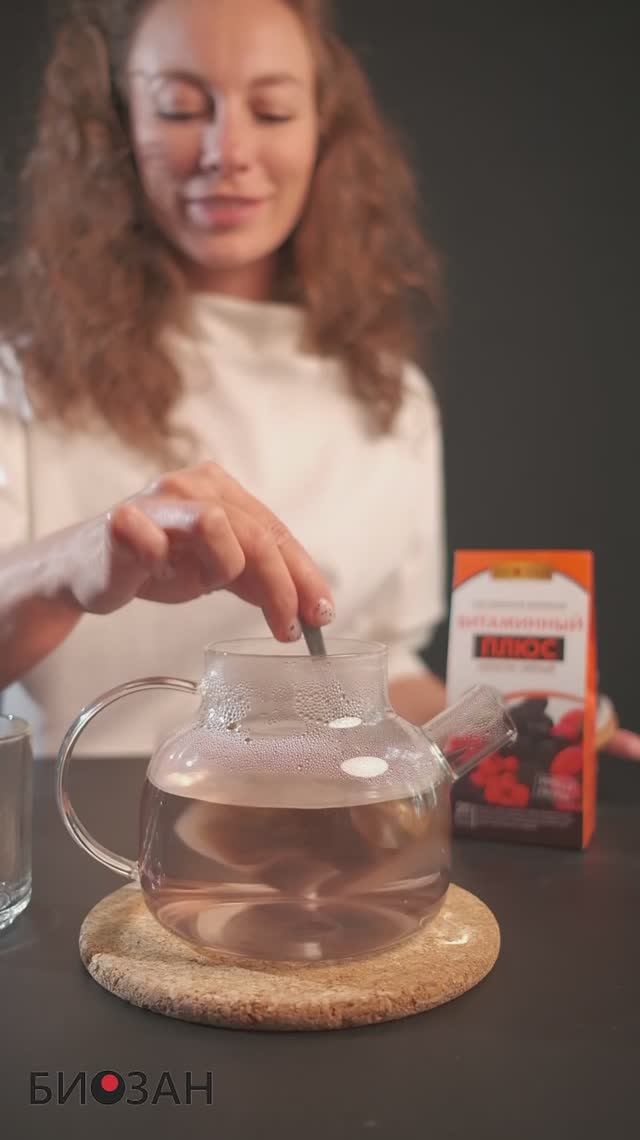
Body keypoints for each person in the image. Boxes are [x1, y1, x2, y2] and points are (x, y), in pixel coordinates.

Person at [0, 0, 447, 756]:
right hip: (71, 817)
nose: (227, 151)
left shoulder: (391, 397)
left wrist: (528, 733)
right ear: (117, 129)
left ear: (322, 131)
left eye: (271, 112)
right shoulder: (22, 371)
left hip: (305, 822)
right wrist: (80, 559)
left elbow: (383, 671)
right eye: (180, 108)